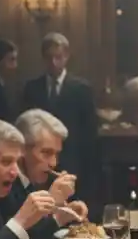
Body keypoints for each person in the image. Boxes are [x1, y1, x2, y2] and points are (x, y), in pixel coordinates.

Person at [22, 33, 99, 187]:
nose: (53, 62)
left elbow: (89, 132)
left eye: (58, 57)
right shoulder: (32, 88)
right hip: (40, 164)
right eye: (49, 57)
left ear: (66, 56)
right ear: (43, 58)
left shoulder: (81, 89)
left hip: (73, 161)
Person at [11, 109, 87, 230]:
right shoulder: (5, 184)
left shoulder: (40, 179)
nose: (53, 163)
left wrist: (64, 212)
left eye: (56, 154)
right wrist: (51, 202)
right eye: (46, 153)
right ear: (22, 149)